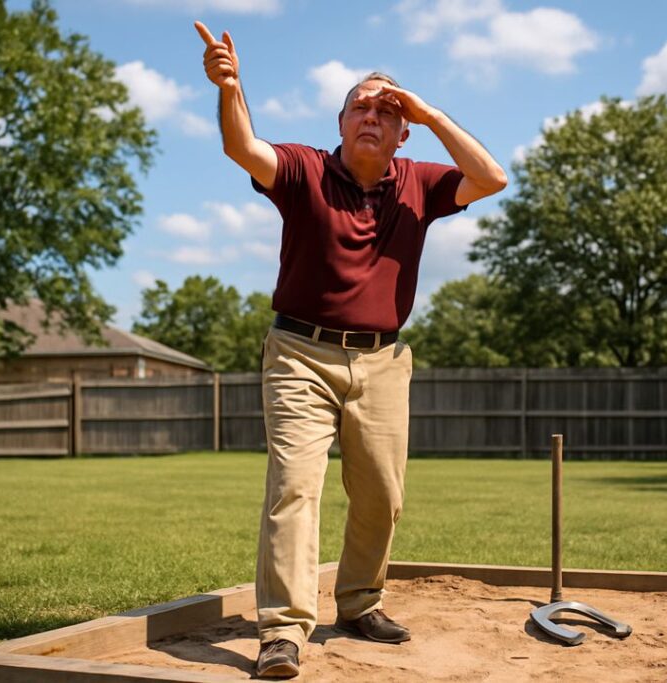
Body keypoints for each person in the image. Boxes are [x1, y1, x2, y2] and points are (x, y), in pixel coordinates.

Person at [195, 21, 507, 679]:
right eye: (360, 106)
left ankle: (360, 602)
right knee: (294, 486)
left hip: (384, 360)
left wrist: (427, 110)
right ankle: (282, 630)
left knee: (383, 496)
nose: (372, 115)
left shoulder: (420, 183)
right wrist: (230, 86)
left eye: (386, 110)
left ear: (402, 132)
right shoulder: (306, 169)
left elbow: (492, 176)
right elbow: (242, 145)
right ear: (340, 124)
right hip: (300, 353)